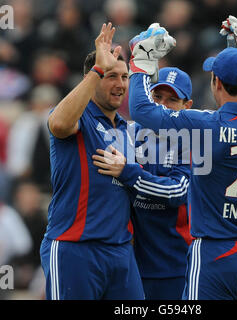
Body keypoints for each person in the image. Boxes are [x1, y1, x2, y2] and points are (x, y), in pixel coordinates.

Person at [127, 17, 237, 300]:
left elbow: (142, 110)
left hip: (217, 253)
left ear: (216, 83)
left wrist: (140, 60)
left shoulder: (207, 125)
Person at [40, 23, 144, 300]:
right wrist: (98, 68)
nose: (120, 84)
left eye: (124, 77)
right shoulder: (79, 118)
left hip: (121, 251)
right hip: (75, 248)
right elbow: (60, 124)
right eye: (111, 76)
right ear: (92, 77)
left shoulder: (128, 129)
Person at [92, 67, 193, 299]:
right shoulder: (127, 133)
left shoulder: (194, 140)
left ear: (186, 106)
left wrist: (128, 173)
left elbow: (177, 191)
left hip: (175, 265)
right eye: (157, 97)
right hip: (127, 261)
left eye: (172, 100)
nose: (162, 106)